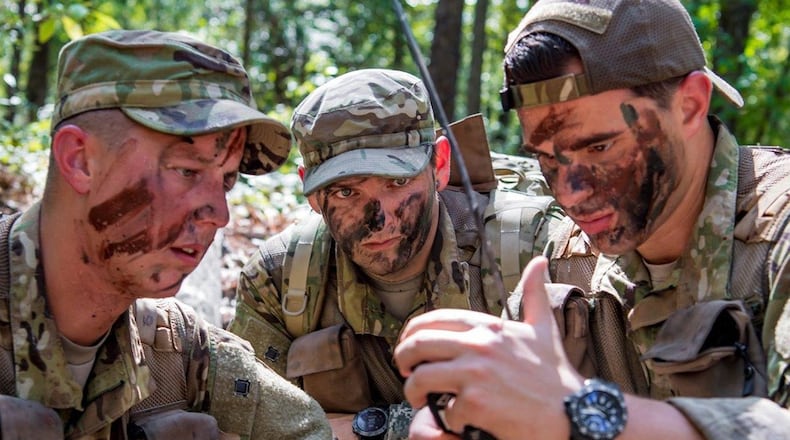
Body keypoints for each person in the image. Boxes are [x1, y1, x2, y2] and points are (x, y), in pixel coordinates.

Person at [393, 0, 790, 439]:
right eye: (546, 158)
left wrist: (578, 413)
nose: (570, 194)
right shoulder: (568, 259)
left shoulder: (779, 233)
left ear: (691, 105)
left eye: (599, 148)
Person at [0, 30, 332, 439]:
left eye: (226, 180)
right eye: (187, 171)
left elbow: (308, 430)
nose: (219, 214)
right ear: (80, 160)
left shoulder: (179, 350)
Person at [228, 68, 563, 439]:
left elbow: (592, 410)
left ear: (439, 165)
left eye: (397, 182)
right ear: (311, 192)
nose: (379, 220)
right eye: (346, 193)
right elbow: (247, 423)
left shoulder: (536, 251)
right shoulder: (279, 279)